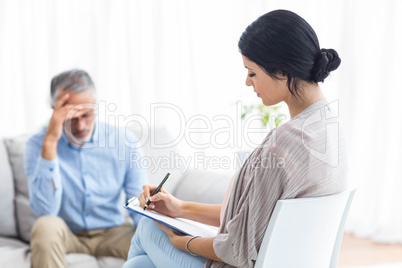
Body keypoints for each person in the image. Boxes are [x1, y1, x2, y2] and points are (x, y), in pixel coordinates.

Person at [123, 9, 348, 268]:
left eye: (252, 72)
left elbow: (236, 250)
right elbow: (253, 219)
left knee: (148, 231)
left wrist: (181, 241)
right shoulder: (330, 127)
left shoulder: (282, 145)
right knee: (138, 265)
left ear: (283, 71)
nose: (247, 82)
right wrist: (180, 208)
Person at [24, 69, 148, 268]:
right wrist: (50, 143)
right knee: (44, 226)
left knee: (153, 238)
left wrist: (156, 233)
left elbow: (139, 206)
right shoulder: (37, 145)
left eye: (87, 114)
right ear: (54, 109)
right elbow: (45, 210)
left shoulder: (124, 141)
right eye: (72, 117)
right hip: (68, 233)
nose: (81, 126)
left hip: (115, 232)